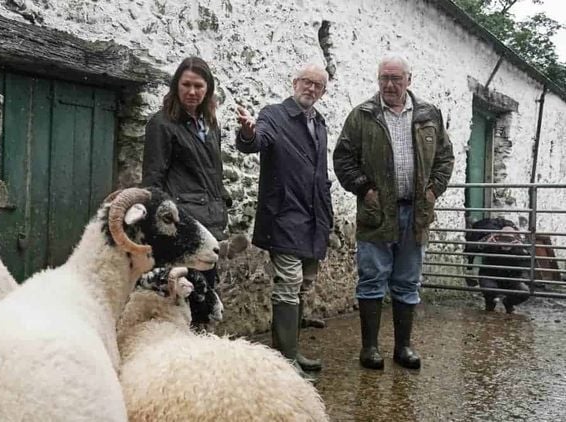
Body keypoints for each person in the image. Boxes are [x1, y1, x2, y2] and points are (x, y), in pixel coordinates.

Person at [333, 54, 454, 370]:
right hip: (376, 212)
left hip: (415, 214)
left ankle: (404, 347)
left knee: (407, 280)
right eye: (384, 78)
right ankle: (370, 348)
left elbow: (445, 158)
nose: (389, 84)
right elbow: (343, 158)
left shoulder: (429, 115)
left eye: (396, 79)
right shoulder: (362, 115)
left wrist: (431, 191)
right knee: (372, 278)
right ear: (378, 79)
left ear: (408, 80)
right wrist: (365, 189)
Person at [235, 63, 334, 379]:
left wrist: (327, 214)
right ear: (295, 82)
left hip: (313, 217)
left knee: (304, 285)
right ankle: (284, 362)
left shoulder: (319, 123)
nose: (311, 88)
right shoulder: (274, 115)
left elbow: (319, 172)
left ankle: (293, 352)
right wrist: (248, 132)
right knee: (288, 284)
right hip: (284, 215)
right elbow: (256, 140)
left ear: (323, 91)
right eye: (306, 82)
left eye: (318, 85)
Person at [141, 57, 230, 330]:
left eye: (199, 86)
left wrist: (222, 200)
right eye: (186, 85)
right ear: (176, 86)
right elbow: (153, 180)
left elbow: (213, 172)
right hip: (185, 226)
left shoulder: (209, 123)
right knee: (183, 295)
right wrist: (163, 224)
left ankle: (201, 353)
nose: (192, 92)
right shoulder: (162, 124)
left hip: (212, 221)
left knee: (206, 294)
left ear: (208, 89)